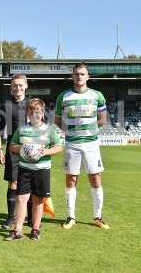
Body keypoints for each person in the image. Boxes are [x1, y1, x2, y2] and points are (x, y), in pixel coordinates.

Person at [55, 62, 110, 230]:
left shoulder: (97, 95)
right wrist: (70, 132)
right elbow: (57, 121)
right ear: (72, 76)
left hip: (91, 144)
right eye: (76, 74)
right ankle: (71, 217)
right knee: (71, 179)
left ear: (88, 76)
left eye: (82, 74)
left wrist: (88, 130)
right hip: (72, 144)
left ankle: (98, 217)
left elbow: (102, 119)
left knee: (95, 178)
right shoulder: (63, 97)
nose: (79, 76)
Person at [6, 98, 62, 240]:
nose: (34, 115)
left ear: (42, 113)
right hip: (24, 168)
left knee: (38, 200)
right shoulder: (22, 129)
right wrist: (22, 148)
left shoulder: (49, 130)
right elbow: (12, 147)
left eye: (37, 112)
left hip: (42, 169)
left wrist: (44, 152)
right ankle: (17, 229)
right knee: (21, 199)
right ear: (27, 114)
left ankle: (35, 228)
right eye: (31, 112)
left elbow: (59, 147)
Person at [0, 74, 29, 229]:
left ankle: (29, 217)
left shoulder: (32, 104)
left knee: (30, 181)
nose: (18, 88)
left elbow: (43, 127)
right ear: (11, 87)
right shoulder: (6, 105)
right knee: (13, 182)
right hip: (12, 148)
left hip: (31, 149)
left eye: (20, 85)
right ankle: (11, 217)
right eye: (15, 85)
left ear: (26, 86)